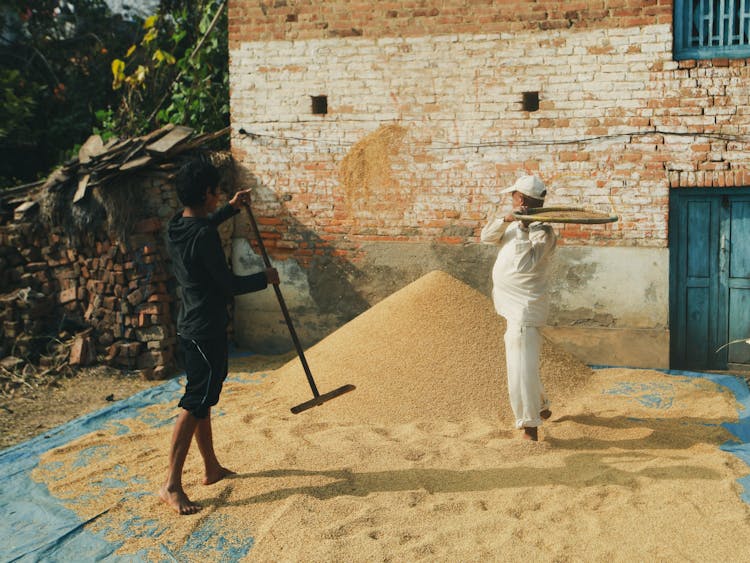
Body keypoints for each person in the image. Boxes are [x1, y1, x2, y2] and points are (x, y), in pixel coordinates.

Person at [161, 157, 280, 514]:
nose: (219, 196)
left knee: (205, 397)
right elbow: (227, 284)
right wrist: (264, 279)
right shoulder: (205, 237)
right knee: (195, 401)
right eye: (217, 192)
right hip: (205, 327)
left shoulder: (176, 226)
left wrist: (230, 210)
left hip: (191, 325)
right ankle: (170, 485)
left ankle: (210, 467)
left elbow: (202, 225)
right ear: (207, 192)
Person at [480, 175, 557, 441]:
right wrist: (508, 220)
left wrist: (524, 228)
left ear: (521, 199)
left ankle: (529, 426)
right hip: (510, 306)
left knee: (520, 367)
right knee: (523, 362)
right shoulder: (513, 225)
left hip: (525, 310)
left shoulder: (543, 232)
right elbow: (485, 237)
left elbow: (525, 265)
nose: (511, 199)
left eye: (513, 196)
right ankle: (542, 406)